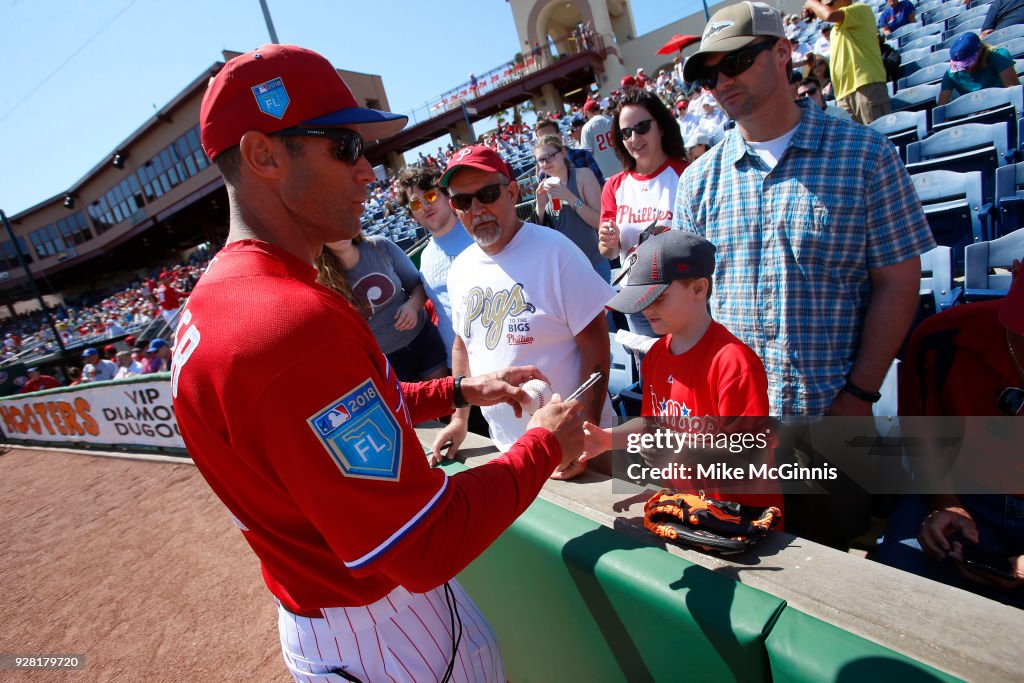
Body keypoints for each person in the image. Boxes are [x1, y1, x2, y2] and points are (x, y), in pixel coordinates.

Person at [173, 44, 586, 683]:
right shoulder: (285, 323)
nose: (370, 170)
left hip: (330, 622)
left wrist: (458, 389)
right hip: (387, 629)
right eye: (343, 146)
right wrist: (543, 445)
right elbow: (423, 547)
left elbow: (342, 413)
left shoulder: (217, 304)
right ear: (263, 155)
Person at [678, 1, 935, 547]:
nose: (721, 81)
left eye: (737, 61)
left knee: (835, 573)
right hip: (735, 430)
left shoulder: (864, 155)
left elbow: (898, 280)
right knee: (744, 568)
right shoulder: (698, 182)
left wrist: (859, 396)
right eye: (708, 73)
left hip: (830, 423)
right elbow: (692, 309)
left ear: (782, 51)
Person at [436, 145, 615, 482]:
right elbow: (463, 347)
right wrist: (460, 419)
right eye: (463, 201)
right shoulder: (459, 268)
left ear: (513, 191)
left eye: (487, 194)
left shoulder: (555, 251)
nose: (477, 209)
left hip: (581, 446)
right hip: (512, 452)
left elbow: (595, 342)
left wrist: (584, 431)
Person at [584, 231, 783, 512]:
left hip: (740, 518)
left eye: (659, 298)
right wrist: (607, 439)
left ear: (699, 289)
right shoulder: (655, 355)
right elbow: (653, 426)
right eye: (641, 299)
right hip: (687, 508)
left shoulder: (733, 363)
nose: (645, 309)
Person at [873, 259, 1024, 607]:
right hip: (965, 494)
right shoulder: (942, 339)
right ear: (1015, 272)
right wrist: (947, 505)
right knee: (895, 579)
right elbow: (924, 440)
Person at [597, 89, 688, 336]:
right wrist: (609, 242)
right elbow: (608, 251)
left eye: (642, 127)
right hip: (637, 303)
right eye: (626, 133)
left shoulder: (686, 174)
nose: (634, 138)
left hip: (682, 296)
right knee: (654, 371)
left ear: (660, 126)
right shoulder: (614, 186)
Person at [315, 233, 449, 382]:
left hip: (423, 338)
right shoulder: (323, 282)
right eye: (330, 228)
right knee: (424, 404)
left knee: (447, 396)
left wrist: (412, 306)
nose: (337, 231)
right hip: (387, 361)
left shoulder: (380, 245)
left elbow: (419, 286)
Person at [395, 165, 474, 371]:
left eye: (430, 196)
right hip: (461, 370)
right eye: (415, 203)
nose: (425, 205)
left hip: (502, 353)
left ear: (446, 195)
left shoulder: (477, 233)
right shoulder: (426, 258)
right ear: (412, 215)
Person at [533, 135, 610, 281]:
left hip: (594, 265)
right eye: (541, 159)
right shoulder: (544, 187)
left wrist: (570, 198)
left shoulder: (583, 175)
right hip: (566, 273)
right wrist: (540, 206)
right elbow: (541, 234)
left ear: (562, 153)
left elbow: (600, 222)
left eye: (550, 156)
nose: (546, 162)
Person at [804, 0, 891, 123]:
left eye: (829, 3)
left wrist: (811, 2)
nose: (826, 6)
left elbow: (828, 15)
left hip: (865, 86)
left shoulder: (860, 9)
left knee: (876, 139)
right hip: (842, 93)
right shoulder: (835, 29)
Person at [937, 32, 1020, 105]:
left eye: (967, 63)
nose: (964, 68)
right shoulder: (951, 75)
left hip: (1004, 109)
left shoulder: (1000, 57)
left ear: (980, 51)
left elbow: (1014, 93)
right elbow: (942, 110)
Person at [533, 117, 605, 185]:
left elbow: (600, 185)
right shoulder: (544, 174)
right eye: (541, 139)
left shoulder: (583, 155)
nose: (546, 141)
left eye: (550, 136)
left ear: (560, 135)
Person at [580, 98, 622, 179]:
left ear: (587, 112)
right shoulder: (612, 120)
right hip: (622, 166)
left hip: (604, 174)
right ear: (599, 108)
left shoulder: (586, 127)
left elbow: (587, 154)